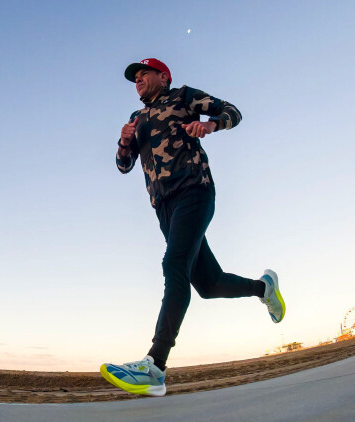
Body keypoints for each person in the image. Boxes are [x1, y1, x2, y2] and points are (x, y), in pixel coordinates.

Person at [99, 58, 286, 397]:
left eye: (144, 74)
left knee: (174, 264)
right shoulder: (136, 118)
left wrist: (210, 125)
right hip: (164, 207)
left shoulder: (183, 97)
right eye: (135, 78)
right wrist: (123, 142)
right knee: (209, 284)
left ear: (163, 77)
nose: (138, 80)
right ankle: (264, 289)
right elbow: (123, 166)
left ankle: (155, 366)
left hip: (193, 190)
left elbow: (232, 112)